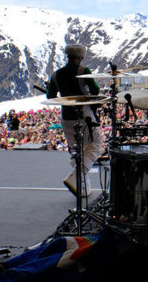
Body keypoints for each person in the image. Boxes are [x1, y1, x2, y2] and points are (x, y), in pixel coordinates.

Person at [46, 44, 103, 197]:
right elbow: (95, 90)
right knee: (96, 145)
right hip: (84, 116)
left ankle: (82, 188)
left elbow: (50, 96)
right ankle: (76, 176)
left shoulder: (56, 74)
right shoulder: (84, 71)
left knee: (75, 150)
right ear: (81, 57)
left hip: (66, 117)